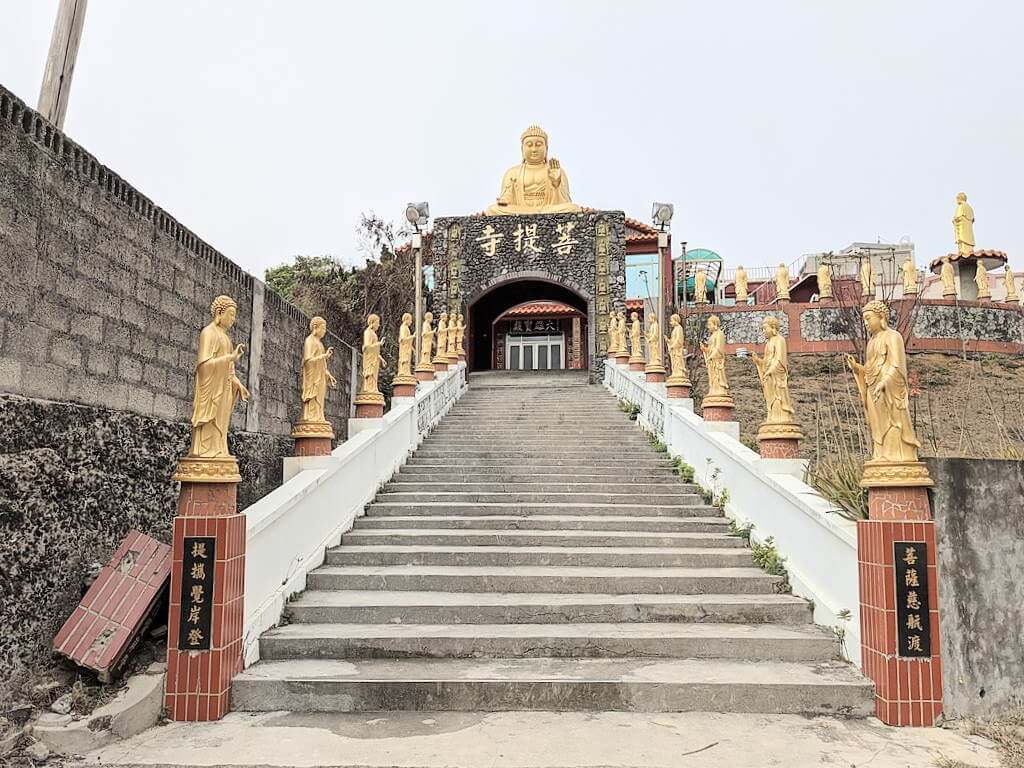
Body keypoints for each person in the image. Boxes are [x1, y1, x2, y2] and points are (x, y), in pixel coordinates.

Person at [846, 301, 922, 463]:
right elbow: (870, 367)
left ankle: (897, 456)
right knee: (877, 424)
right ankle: (881, 454)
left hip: (889, 388)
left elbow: (897, 364)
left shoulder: (893, 337)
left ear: (881, 317)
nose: (866, 323)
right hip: (873, 387)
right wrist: (857, 368)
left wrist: (885, 382)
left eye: (868, 318)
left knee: (893, 422)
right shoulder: (872, 342)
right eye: (864, 320)